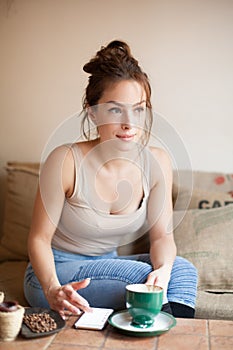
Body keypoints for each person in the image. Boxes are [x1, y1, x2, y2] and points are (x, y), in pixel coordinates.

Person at [24, 40, 198, 319]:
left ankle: (166, 338)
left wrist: (165, 271)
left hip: (108, 265)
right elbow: (38, 239)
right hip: (55, 275)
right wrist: (52, 289)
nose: (130, 123)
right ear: (92, 112)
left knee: (181, 270)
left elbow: (163, 236)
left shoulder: (157, 162)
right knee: (144, 276)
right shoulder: (65, 160)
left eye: (138, 109)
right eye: (116, 109)